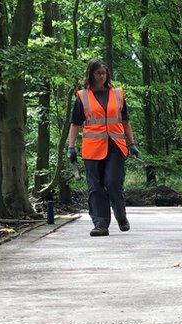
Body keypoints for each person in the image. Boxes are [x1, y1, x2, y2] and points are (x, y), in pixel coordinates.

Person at [67, 59, 141, 237]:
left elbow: (125, 122)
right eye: (98, 73)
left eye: (104, 73)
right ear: (91, 74)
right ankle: (100, 224)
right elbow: (75, 124)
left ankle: (121, 216)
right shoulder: (83, 96)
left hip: (115, 145)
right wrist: (71, 147)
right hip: (92, 148)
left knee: (113, 182)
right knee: (95, 186)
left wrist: (132, 144)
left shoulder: (117, 94)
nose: (102, 76)